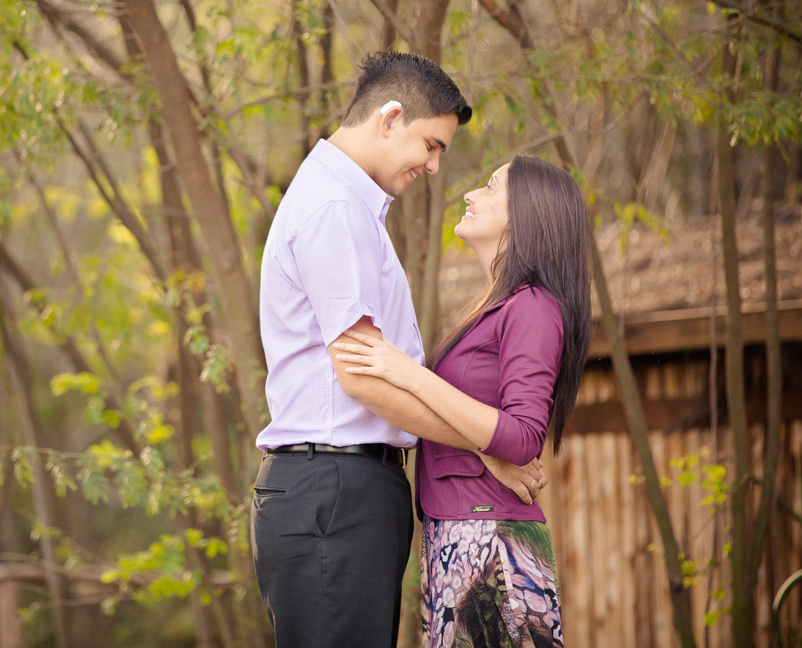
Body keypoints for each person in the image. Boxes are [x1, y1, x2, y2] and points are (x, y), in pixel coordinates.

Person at [252, 52, 547, 648]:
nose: (436, 166)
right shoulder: (335, 209)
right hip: (332, 490)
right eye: (431, 145)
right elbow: (365, 377)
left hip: (342, 490)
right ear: (389, 119)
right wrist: (485, 445)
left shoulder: (353, 208)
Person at [332, 155, 591, 648]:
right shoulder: (499, 308)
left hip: (492, 551)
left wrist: (407, 372)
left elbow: (522, 436)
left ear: (526, 216)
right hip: (458, 541)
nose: (471, 195)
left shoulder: (534, 307)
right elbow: (489, 432)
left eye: (490, 187)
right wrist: (482, 451)